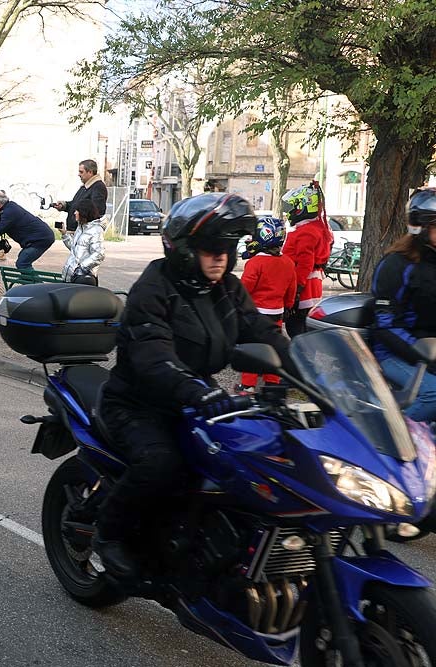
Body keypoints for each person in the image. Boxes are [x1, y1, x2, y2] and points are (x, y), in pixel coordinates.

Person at [92, 193, 293, 579]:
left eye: (227, 248)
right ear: (184, 249)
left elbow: (265, 333)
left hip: (196, 399)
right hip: (138, 404)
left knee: (248, 463)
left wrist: (308, 371)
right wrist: (197, 391)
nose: (220, 256)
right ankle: (109, 535)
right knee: (162, 464)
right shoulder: (153, 287)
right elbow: (153, 357)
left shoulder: (227, 289)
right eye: (210, 248)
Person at [370, 188, 436, 422]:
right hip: (395, 352)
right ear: (421, 227)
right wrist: (423, 353)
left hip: (430, 350)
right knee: (433, 395)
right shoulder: (397, 265)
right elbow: (385, 325)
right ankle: (388, 444)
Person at [237, 216, 297, 392]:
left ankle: (247, 386)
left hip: (256, 313)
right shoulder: (288, 262)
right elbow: (291, 289)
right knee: (273, 348)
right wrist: (288, 305)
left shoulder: (255, 263)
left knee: (252, 348)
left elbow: (245, 288)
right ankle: (273, 383)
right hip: (276, 312)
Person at [281, 181, 330, 337]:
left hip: (303, 286)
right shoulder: (317, 227)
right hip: (310, 284)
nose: (288, 213)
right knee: (302, 328)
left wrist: (296, 289)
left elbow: (305, 263)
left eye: (292, 208)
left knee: (296, 328)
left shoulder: (305, 232)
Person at [0, 190, 55, 271]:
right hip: (41, 237)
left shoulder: (9, 212)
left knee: (22, 263)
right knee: (22, 258)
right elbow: (1, 227)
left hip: (41, 239)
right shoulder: (10, 207)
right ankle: (28, 282)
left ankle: (37, 284)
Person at [52, 159, 109, 232]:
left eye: (81, 172)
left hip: (84, 232)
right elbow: (75, 205)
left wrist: (83, 227)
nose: (79, 174)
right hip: (77, 231)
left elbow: (97, 212)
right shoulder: (84, 187)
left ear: (90, 172)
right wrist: (64, 205)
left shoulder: (98, 187)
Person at [60, 199, 107, 285]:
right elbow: (74, 248)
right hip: (72, 275)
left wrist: (82, 267)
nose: (75, 213)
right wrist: (65, 234)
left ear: (84, 212)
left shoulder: (96, 230)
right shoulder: (80, 228)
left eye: (77, 211)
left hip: (82, 277)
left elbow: (99, 254)